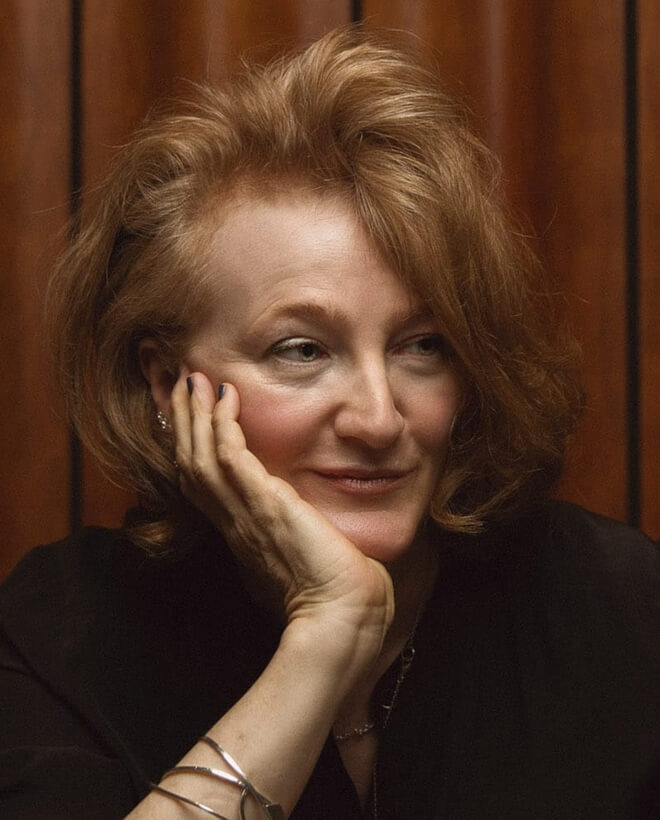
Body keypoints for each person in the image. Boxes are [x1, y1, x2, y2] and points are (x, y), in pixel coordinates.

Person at [1, 25, 659, 820]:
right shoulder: (61, 633)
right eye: (303, 350)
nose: (379, 419)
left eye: (423, 345)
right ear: (171, 382)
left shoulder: (621, 607)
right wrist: (327, 633)